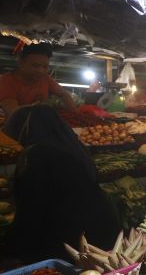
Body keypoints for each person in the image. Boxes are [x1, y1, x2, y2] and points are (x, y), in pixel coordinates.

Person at [2, 105, 119, 264]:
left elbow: (33, 207)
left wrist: (10, 244)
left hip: (70, 235)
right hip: (100, 227)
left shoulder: (37, 154)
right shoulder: (72, 145)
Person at [0, 43, 76, 118]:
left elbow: (64, 94)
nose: (41, 71)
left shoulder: (45, 78)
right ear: (21, 63)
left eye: (45, 67)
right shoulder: (6, 81)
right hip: (18, 128)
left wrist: (75, 114)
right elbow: (14, 113)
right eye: (35, 65)